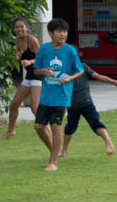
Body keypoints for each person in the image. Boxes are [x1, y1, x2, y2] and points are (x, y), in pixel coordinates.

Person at [32, 18, 84, 172]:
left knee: (56, 127)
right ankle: (54, 152)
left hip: (62, 96)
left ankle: (53, 162)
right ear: (50, 33)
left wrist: (69, 78)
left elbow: (80, 70)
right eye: (60, 31)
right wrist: (43, 71)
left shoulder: (70, 50)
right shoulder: (43, 49)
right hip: (46, 96)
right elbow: (35, 70)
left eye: (65, 31)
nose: (63, 34)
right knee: (38, 126)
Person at [59, 64, 117, 158]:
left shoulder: (70, 68)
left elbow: (99, 77)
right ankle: (107, 141)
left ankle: (64, 151)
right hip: (81, 103)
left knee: (71, 127)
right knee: (88, 124)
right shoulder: (81, 67)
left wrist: (115, 82)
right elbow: (99, 77)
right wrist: (115, 82)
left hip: (77, 104)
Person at [0, 17, 42, 140]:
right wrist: (18, 57)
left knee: (35, 108)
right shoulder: (17, 40)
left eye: (21, 26)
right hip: (29, 77)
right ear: (13, 29)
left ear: (26, 27)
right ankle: (11, 131)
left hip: (38, 76)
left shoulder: (32, 40)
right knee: (14, 104)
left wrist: (30, 61)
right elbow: (18, 56)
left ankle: (48, 129)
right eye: (16, 27)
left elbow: (42, 59)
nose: (19, 29)